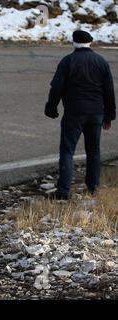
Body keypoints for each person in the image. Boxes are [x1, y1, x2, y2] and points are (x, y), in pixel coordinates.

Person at [45, 30, 116, 200]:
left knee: (67, 150)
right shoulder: (101, 62)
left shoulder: (68, 61)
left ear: (74, 42)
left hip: (74, 112)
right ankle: (93, 187)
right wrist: (109, 116)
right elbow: (109, 91)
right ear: (90, 42)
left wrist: (51, 108)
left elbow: (57, 87)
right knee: (94, 150)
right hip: (96, 113)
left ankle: (63, 191)